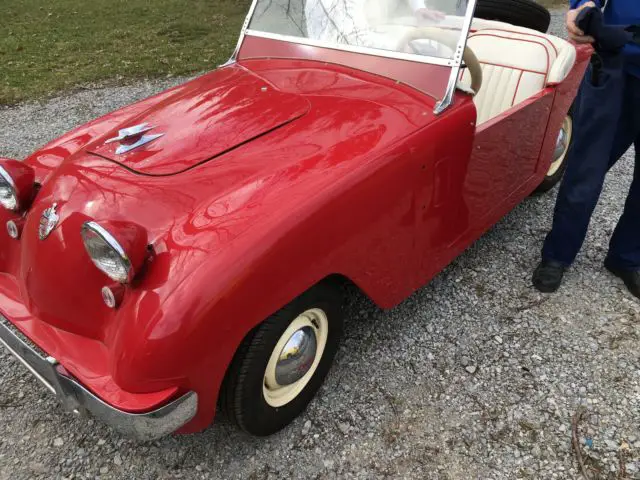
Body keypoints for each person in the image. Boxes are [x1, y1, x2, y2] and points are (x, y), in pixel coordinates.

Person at [532, 0, 640, 299]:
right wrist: (583, 7)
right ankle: (558, 254)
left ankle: (626, 257)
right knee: (586, 168)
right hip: (615, 61)